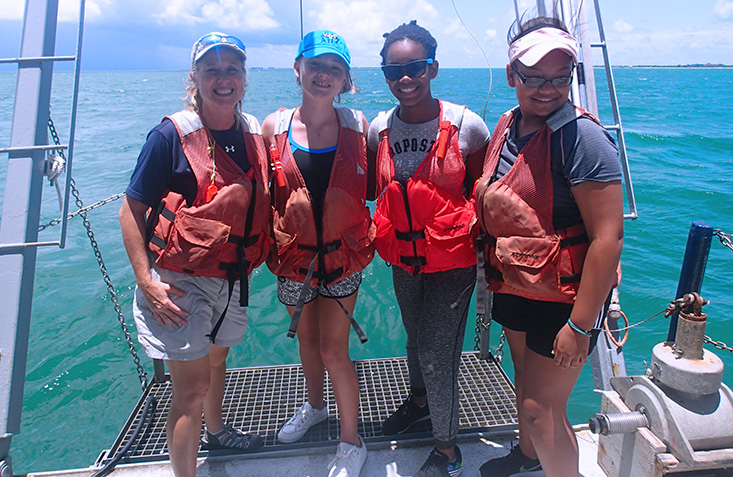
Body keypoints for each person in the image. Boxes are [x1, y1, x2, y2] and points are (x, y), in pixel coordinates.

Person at [473, 11, 624, 477]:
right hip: (518, 286)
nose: (548, 89)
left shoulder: (582, 138)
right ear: (511, 74)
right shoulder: (507, 123)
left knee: (542, 409)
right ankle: (528, 458)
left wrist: (579, 327)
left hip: (565, 300)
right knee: (526, 389)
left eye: (561, 78)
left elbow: (608, 237)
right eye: (534, 77)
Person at [119, 32, 270, 477]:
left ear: (244, 78)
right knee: (190, 389)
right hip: (178, 280)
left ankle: (217, 431)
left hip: (229, 277)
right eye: (212, 70)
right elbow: (131, 209)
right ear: (195, 78)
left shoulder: (253, 133)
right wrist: (147, 281)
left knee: (218, 360)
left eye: (232, 70)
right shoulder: (170, 135)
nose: (223, 79)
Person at [367, 21, 490, 477]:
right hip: (405, 261)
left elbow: (482, 190)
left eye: (416, 67)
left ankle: (447, 452)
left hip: (453, 264)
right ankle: (419, 403)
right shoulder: (380, 127)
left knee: (438, 353)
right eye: (394, 69)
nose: (406, 78)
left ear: (433, 67)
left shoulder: (465, 125)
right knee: (415, 341)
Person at [262, 30, 372, 477]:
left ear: (346, 78)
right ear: (297, 69)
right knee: (306, 342)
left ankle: (352, 440)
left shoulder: (360, 126)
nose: (324, 75)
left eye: (335, 68)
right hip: (293, 261)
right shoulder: (274, 126)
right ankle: (314, 406)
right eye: (316, 65)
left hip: (343, 257)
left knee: (333, 350)